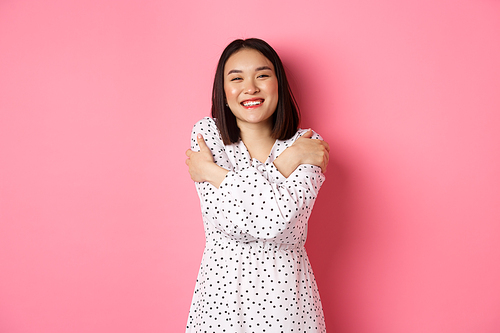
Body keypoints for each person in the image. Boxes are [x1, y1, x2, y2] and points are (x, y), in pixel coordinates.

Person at [185, 38, 330, 333]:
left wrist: (215, 174)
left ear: (279, 85)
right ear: (223, 93)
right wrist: (287, 164)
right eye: (236, 78)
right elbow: (231, 224)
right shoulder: (207, 134)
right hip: (220, 299)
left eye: (262, 75)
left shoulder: (307, 144)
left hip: (287, 300)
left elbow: (277, 225)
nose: (250, 88)